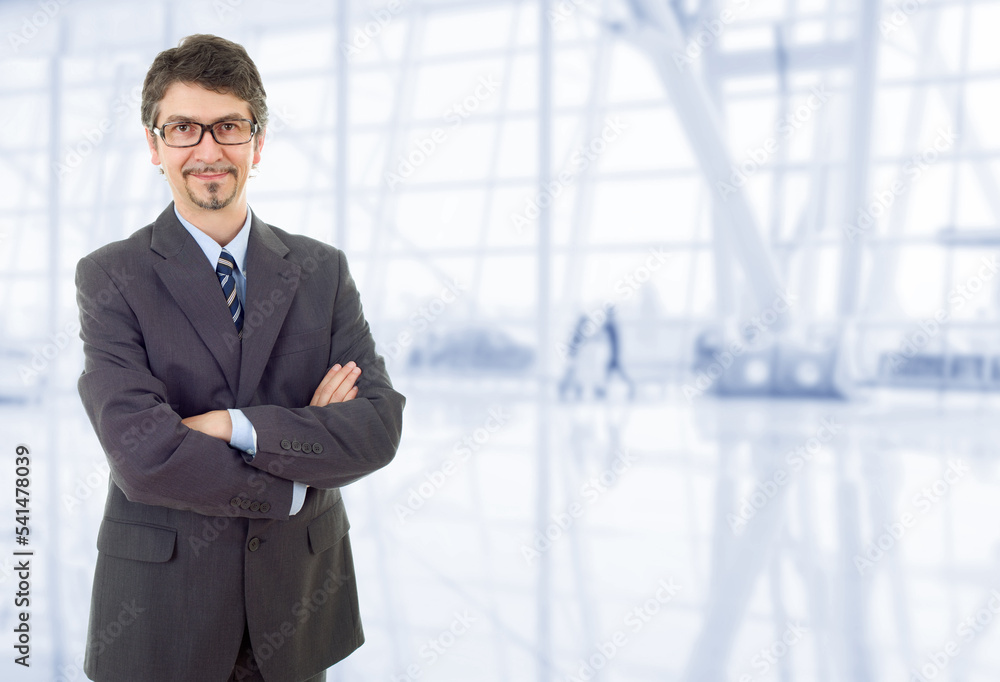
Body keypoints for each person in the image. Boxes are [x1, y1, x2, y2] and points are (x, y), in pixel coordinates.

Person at [74, 34, 405, 682]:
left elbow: (377, 427)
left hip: (297, 607)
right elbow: (142, 456)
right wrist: (298, 464)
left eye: (228, 126)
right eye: (183, 128)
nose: (207, 149)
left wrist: (231, 424)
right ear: (153, 144)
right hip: (165, 614)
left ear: (257, 142)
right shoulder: (111, 276)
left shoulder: (321, 271)